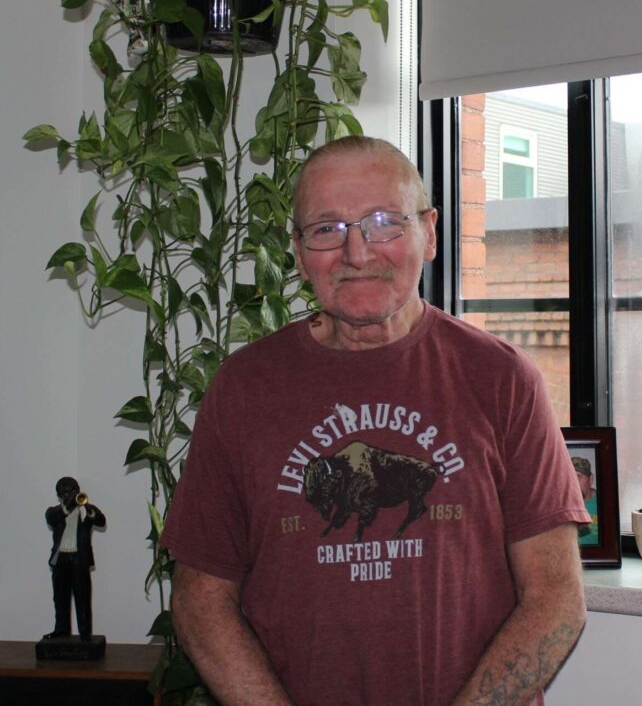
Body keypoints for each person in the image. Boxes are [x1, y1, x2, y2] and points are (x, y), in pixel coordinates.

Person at [160, 135, 591, 706]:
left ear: (429, 232)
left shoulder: (503, 379)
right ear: (297, 249)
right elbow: (200, 602)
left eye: (384, 222)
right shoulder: (243, 390)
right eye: (327, 229)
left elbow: (557, 599)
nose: (357, 253)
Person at [43, 476, 106, 641]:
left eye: (72, 491)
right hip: (61, 560)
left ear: (77, 491)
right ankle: (61, 630)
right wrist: (67, 508)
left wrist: (86, 507)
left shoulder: (86, 510)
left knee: (82, 598)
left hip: (79, 560)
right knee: (60, 598)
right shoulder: (54, 512)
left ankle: (85, 634)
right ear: (59, 495)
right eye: (65, 493)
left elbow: (101, 520)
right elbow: (51, 518)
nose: (69, 495)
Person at [571, 457, 598, 546]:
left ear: (591, 479)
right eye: (570, 477)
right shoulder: (561, 505)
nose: (574, 483)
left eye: (579, 476)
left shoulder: (605, 504)